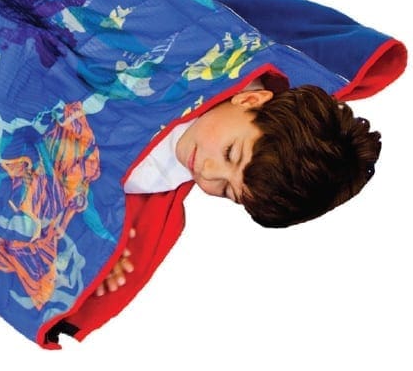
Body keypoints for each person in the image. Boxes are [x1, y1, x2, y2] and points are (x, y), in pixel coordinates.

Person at [94, 79, 380, 297]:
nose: (207, 171)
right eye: (230, 153)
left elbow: (78, 180)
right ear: (250, 99)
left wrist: (98, 241)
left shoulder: (150, 177)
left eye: (227, 191)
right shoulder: (220, 61)